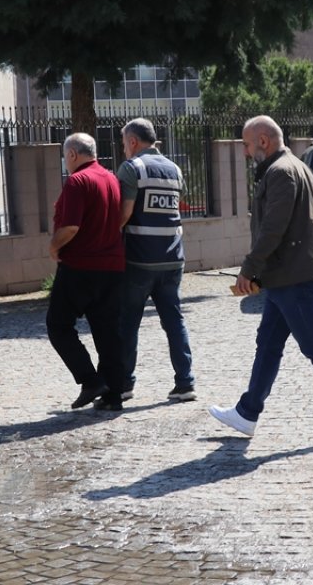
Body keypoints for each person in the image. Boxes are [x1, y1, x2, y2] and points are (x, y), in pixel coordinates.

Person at [208, 115, 313, 442]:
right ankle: (247, 412)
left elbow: (274, 228)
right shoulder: (294, 166)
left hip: (293, 276)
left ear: (264, 141)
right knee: (268, 344)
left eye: (246, 144)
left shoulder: (281, 172)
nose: (244, 151)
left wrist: (249, 268)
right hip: (287, 275)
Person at [116, 118, 196, 402]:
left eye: (124, 142)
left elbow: (123, 215)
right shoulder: (174, 169)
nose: (124, 148)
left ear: (134, 142)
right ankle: (185, 382)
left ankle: (124, 384)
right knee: (174, 321)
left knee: (128, 322)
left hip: (139, 259)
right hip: (173, 258)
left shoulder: (132, 168)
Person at [46, 133, 128, 411]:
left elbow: (71, 227)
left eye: (65, 157)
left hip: (80, 266)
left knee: (58, 325)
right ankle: (113, 395)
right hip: (113, 266)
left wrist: (54, 247)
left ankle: (90, 379)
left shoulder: (77, 182)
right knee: (108, 332)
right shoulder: (111, 179)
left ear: (72, 155)